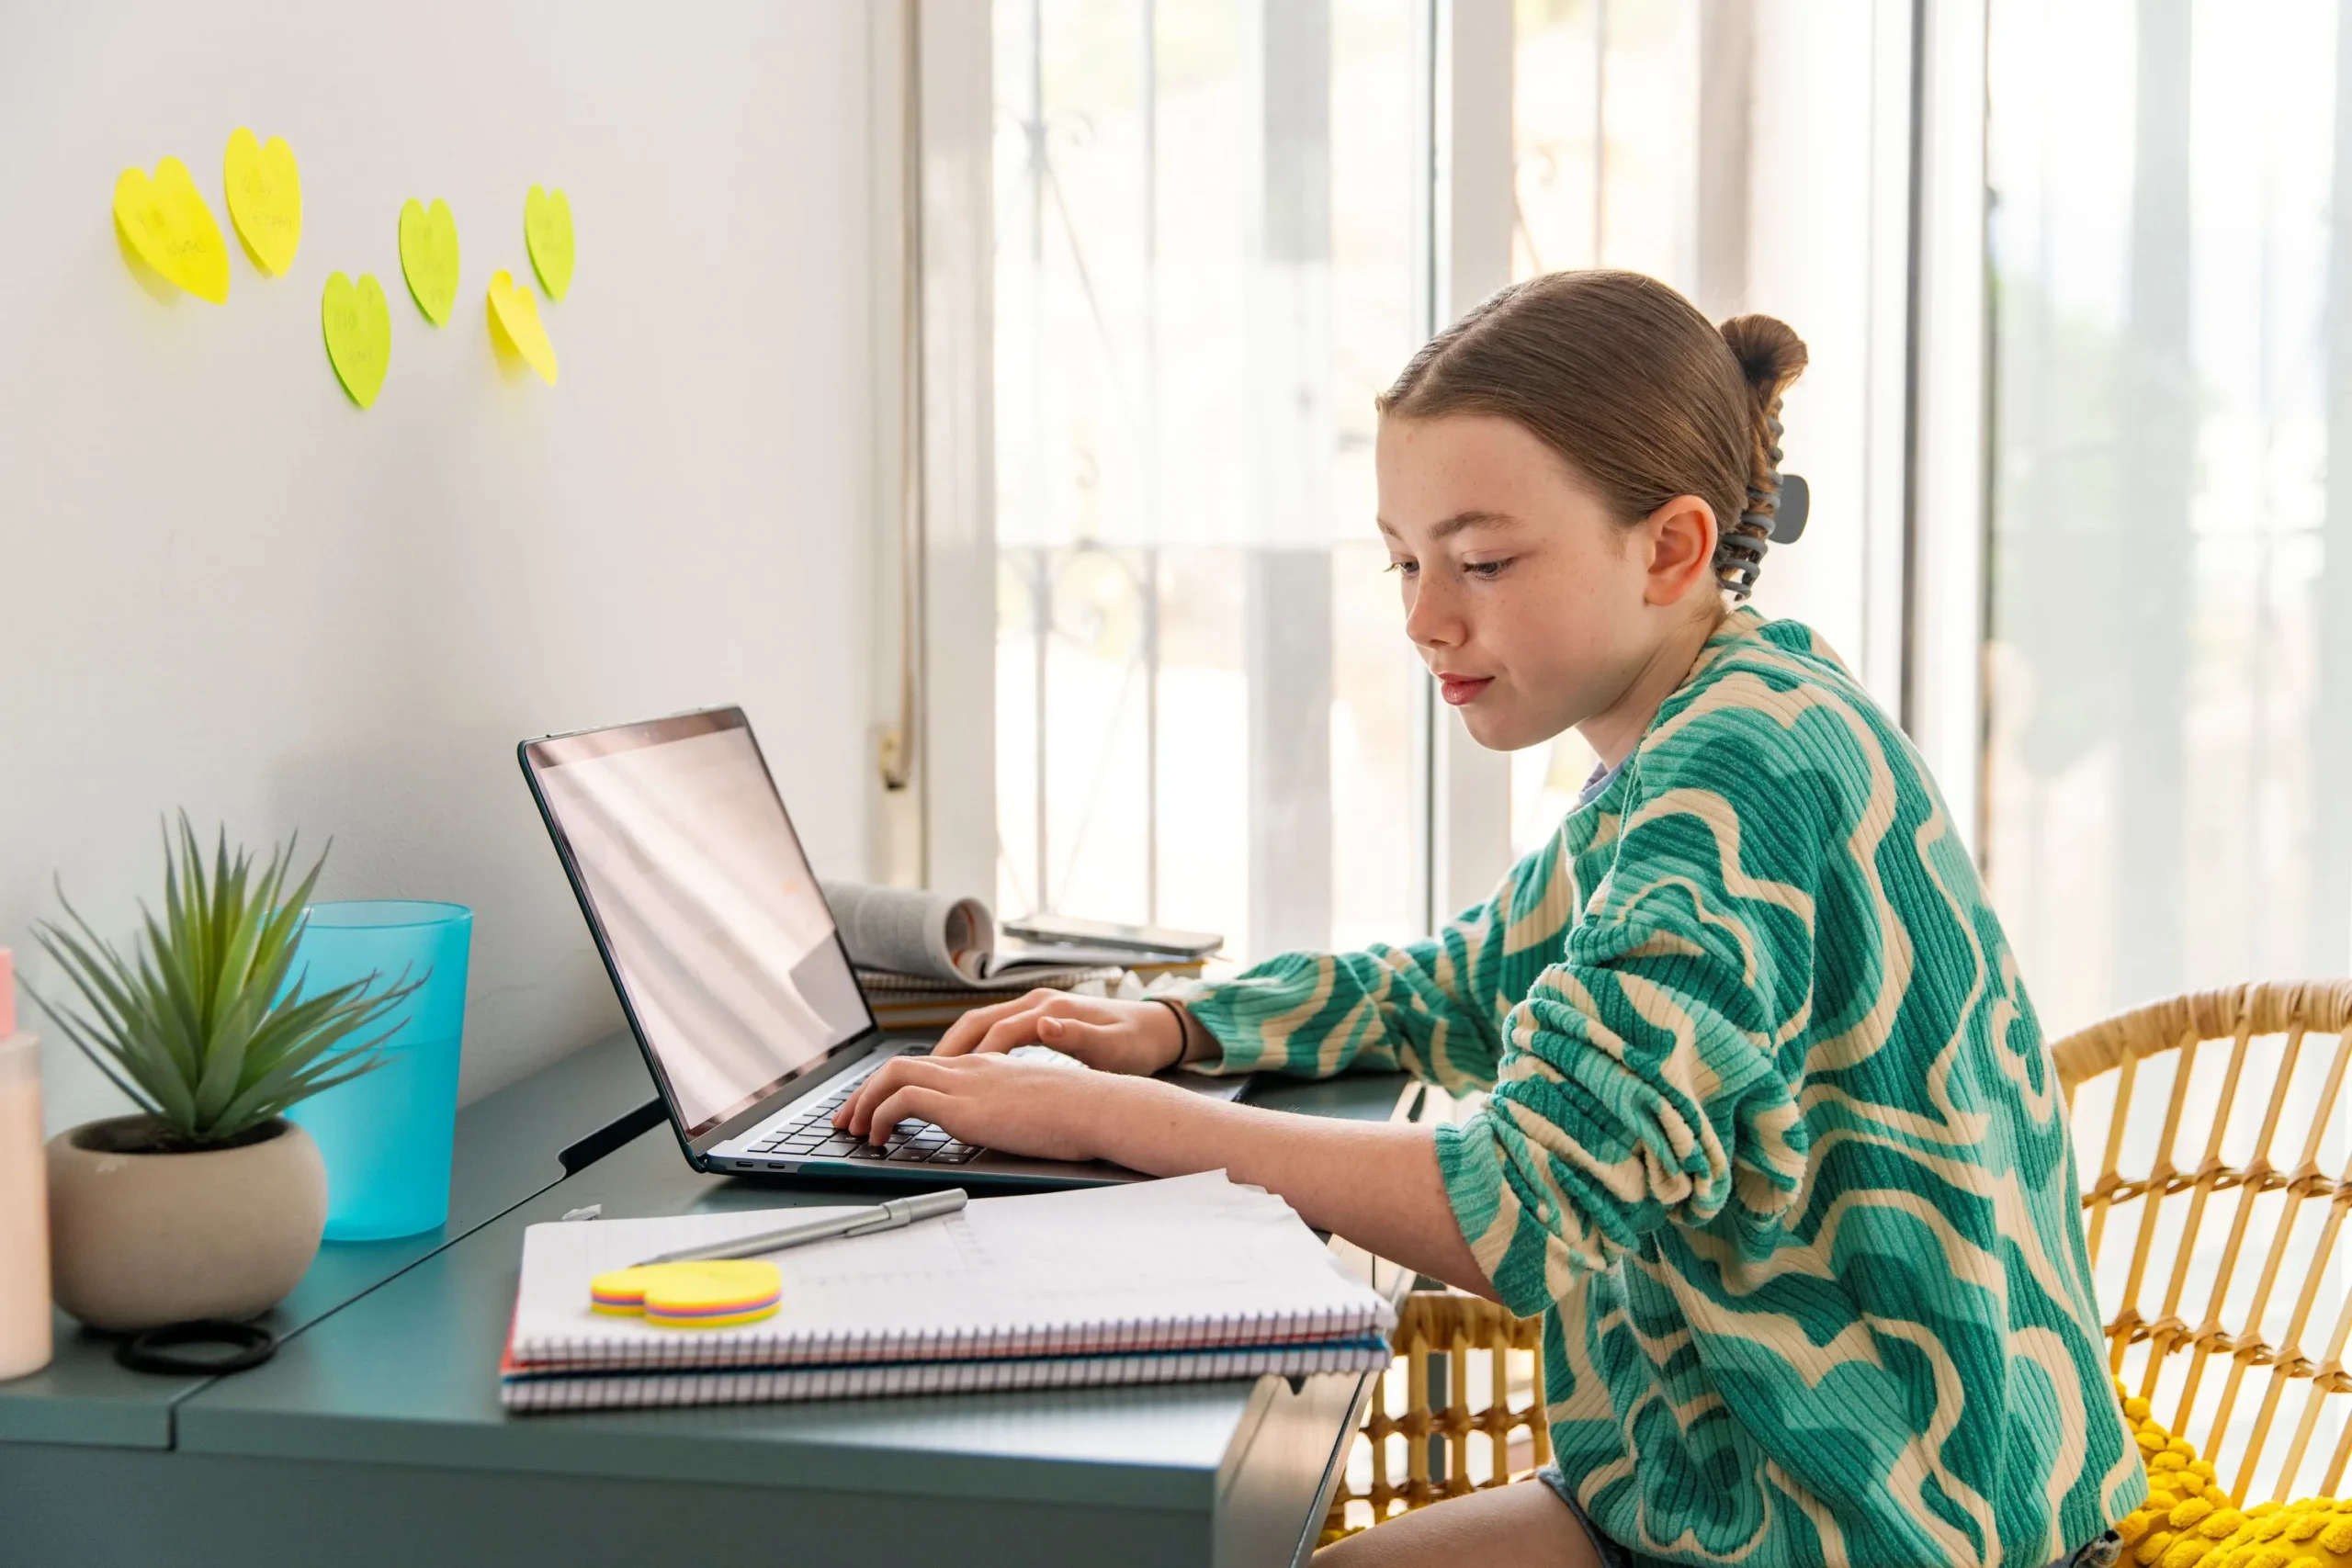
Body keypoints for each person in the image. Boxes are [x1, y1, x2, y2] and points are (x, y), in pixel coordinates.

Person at [836, 269, 2144, 1568]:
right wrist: (1178, 1025)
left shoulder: (1746, 771)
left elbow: (1524, 1208)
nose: (1422, 616)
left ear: (1671, 547)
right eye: (1405, 560)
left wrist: (1101, 1116)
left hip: (1883, 1524)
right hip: (1743, 1476)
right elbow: (1463, 984)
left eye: (1481, 560)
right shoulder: (1696, 726)